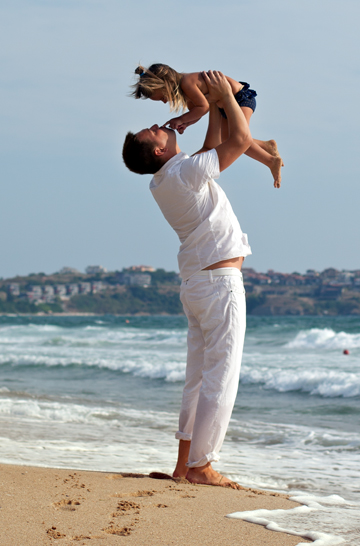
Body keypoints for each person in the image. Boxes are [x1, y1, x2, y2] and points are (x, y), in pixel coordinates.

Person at [122, 70, 259, 488]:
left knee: (196, 380)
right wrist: (228, 100)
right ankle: (201, 466)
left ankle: (184, 466)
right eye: (153, 131)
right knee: (220, 377)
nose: (158, 125)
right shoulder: (184, 174)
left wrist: (214, 106)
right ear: (159, 150)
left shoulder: (167, 179)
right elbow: (237, 142)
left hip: (198, 285)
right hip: (218, 284)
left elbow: (210, 151)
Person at [131, 63, 283, 188]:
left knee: (239, 138)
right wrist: (186, 122)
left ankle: (270, 161)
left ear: (166, 83)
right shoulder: (186, 91)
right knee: (228, 138)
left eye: (163, 97)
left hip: (240, 98)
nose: (165, 101)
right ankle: (267, 145)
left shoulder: (186, 83)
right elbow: (198, 111)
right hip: (225, 104)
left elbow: (203, 107)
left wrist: (181, 119)